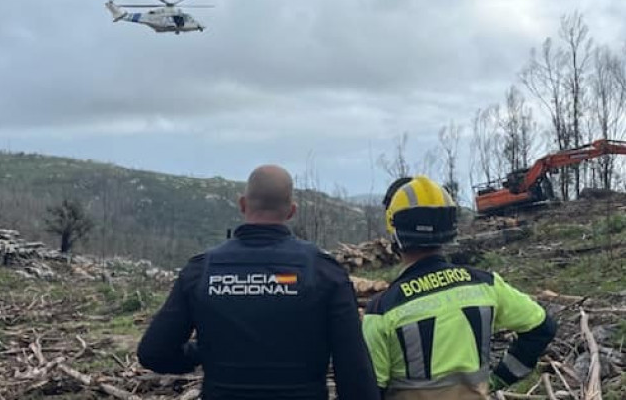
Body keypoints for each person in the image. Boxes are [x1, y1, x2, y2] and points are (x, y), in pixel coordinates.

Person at [137, 164, 380, 400]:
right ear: (291, 211)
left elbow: (154, 353)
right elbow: (354, 370)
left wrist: (202, 352)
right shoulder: (324, 272)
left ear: (242, 204)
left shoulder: (201, 271)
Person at [362, 176, 557, 400]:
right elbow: (543, 328)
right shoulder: (486, 285)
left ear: (395, 232)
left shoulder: (381, 310)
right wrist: (500, 378)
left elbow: (367, 389)